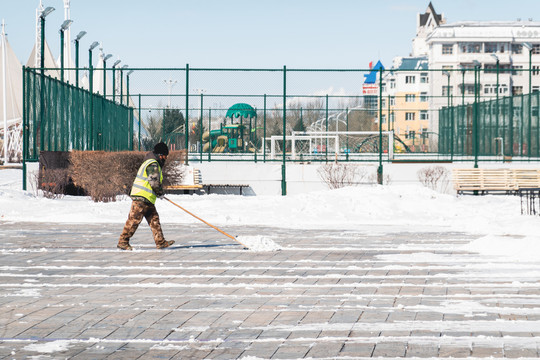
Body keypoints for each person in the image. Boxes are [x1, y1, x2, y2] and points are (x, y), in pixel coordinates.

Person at [117, 142, 175, 250]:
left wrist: (158, 193)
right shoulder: (152, 164)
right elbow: (154, 182)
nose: (166, 158)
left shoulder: (153, 162)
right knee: (134, 220)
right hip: (141, 197)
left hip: (147, 198)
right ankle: (123, 241)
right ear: (160, 154)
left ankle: (160, 242)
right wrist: (159, 192)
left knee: (154, 220)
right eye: (165, 155)